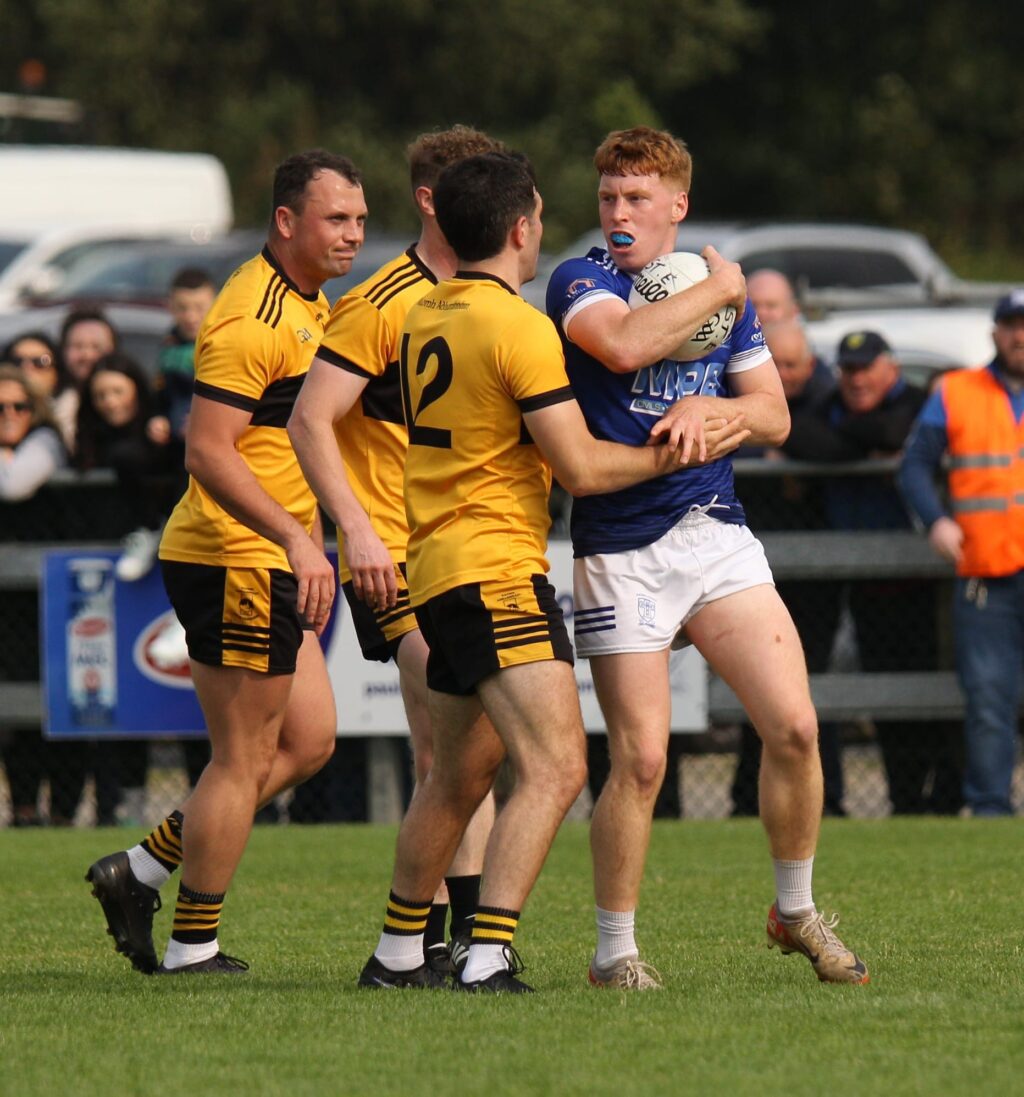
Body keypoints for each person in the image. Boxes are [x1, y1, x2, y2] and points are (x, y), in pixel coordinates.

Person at [357, 151, 748, 994]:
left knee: (459, 771)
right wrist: (681, 446)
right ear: (520, 229)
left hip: (434, 565)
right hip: (494, 568)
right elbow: (584, 471)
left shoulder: (426, 312)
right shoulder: (520, 326)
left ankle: (396, 953)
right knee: (560, 765)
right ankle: (487, 955)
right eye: (537, 214)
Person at [545, 126, 867, 988]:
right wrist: (720, 285)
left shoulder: (725, 299)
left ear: (677, 206)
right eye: (609, 195)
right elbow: (621, 347)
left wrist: (714, 416)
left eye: (638, 198)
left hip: (714, 531)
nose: (618, 211)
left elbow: (773, 416)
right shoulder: (582, 280)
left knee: (795, 727)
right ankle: (614, 952)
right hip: (621, 549)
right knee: (643, 758)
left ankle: (794, 909)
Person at [85, 148, 365, 974]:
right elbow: (208, 454)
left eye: (357, 218)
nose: (352, 234)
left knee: (309, 742)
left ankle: (136, 869)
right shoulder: (255, 319)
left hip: (269, 554)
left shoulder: (310, 302)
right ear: (286, 222)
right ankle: (190, 944)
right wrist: (292, 535)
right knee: (242, 760)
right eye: (335, 220)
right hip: (237, 556)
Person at [289, 125, 504, 974]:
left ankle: (439, 943)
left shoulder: (493, 299)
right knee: (455, 752)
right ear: (430, 199)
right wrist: (356, 529)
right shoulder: (381, 301)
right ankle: (431, 945)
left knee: (468, 751)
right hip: (395, 557)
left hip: (464, 550)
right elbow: (311, 421)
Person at [787, 330, 962, 815]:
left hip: (923, 575)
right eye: (848, 369)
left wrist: (855, 439)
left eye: (866, 368)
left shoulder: (915, 400)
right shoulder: (834, 405)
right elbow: (802, 435)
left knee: (933, 695)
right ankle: (905, 799)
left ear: (891, 369)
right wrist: (865, 441)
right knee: (887, 702)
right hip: (865, 581)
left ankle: (946, 799)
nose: (856, 378)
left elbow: (893, 433)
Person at [899, 291, 1024, 816]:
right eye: (1011, 326)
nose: (1020, 336)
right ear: (995, 333)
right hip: (986, 572)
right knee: (990, 701)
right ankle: (991, 811)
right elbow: (913, 467)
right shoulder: (955, 391)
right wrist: (937, 520)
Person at [730, 319, 846, 817]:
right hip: (746, 573)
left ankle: (832, 798)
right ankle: (742, 800)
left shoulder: (827, 398)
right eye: (777, 363)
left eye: (795, 364)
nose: (786, 374)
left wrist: (780, 438)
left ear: (813, 364)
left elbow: (838, 446)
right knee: (754, 698)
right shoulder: (737, 388)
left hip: (814, 580)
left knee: (810, 696)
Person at [113, 268, 219, 586]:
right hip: (172, 440)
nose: (191, 316)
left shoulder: (224, 341)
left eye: (199, 307)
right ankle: (147, 529)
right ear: (171, 307)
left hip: (208, 444)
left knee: (190, 474)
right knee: (125, 456)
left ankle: (178, 544)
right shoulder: (169, 344)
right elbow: (162, 395)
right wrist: (156, 419)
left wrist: (206, 422)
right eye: (183, 307)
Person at [0, 362, 70, 827]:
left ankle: (63, 810)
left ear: (35, 408)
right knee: (12, 713)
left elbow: (14, 485)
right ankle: (22, 807)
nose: (8, 413)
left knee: (54, 706)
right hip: (8, 600)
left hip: (45, 602)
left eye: (18, 405)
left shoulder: (46, 441)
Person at [1, 332, 75, 449]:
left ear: (57, 371)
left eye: (41, 362)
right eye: (17, 361)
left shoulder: (76, 413)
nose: (27, 368)